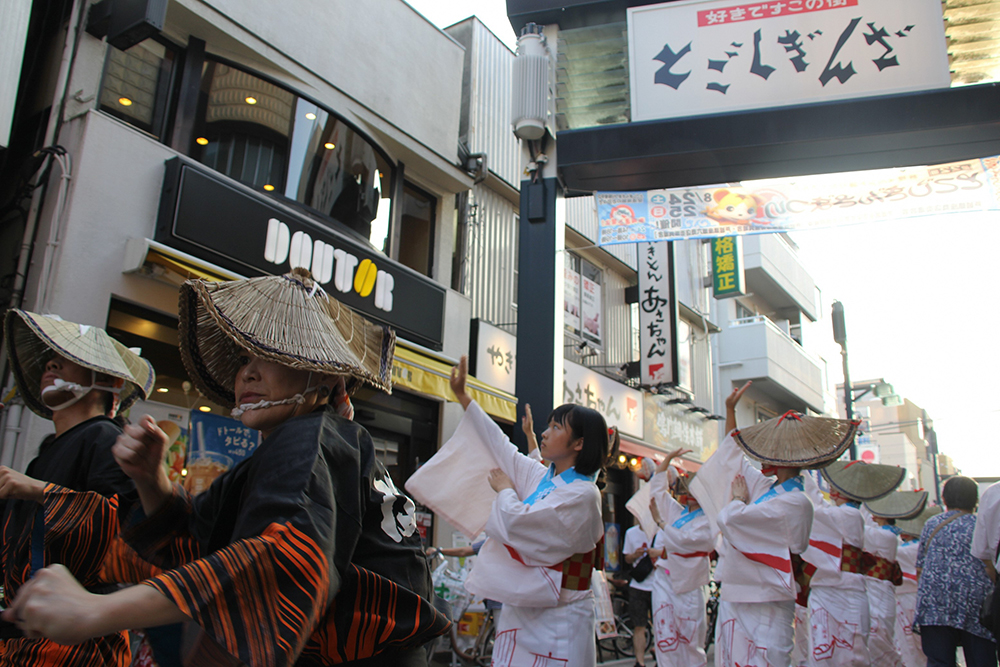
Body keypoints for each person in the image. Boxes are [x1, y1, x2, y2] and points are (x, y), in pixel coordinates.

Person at [4, 269, 448, 666]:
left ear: (326, 381)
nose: (247, 375)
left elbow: (283, 560)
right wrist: (152, 479)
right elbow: (195, 542)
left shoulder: (314, 434)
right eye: (243, 361)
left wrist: (95, 610)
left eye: (270, 354)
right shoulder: (288, 450)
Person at [0, 309, 154, 667]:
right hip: (26, 634)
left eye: (68, 359)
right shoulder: (47, 452)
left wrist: (40, 491)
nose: (52, 365)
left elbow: (123, 525)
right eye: (51, 360)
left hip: (78, 641)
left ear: (110, 382)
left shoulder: (105, 437)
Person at [447, 355, 613, 666]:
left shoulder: (583, 494)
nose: (546, 433)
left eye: (555, 426)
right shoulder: (545, 478)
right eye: (547, 425)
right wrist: (464, 397)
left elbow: (519, 524)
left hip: (558, 617)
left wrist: (506, 490)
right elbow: (502, 448)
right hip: (523, 604)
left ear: (578, 443)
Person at [689, 381, 856, 667]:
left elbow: (730, 519)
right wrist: (731, 411)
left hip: (768, 595)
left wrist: (739, 501)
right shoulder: (770, 489)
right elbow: (733, 459)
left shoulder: (797, 501)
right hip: (741, 591)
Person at [800, 460, 905, 667]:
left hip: (845, 591)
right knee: (831, 652)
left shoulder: (851, 515)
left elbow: (814, 509)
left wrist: (802, 475)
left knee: (850, 653)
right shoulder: (854, 516)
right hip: (838, 590)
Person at [914, 476, 997, 667]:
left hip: (935, 602)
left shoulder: (931, 524)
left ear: (944, 499)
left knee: (939, 661)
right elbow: (989, 564)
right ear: (975, 500)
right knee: (981, 660)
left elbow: (920, 567)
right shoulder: (979, 525)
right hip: (975, 603)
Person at [647, 448, 714, 667]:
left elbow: (685, 541)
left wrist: (661, 523)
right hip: (664, 578)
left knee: (690, 638)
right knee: (665, 635)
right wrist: (665, 461)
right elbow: (658, 494)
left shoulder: (708, 521)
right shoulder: (679, 513)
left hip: (689, 583)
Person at [863, 490, 928, 667]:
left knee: (906, 648)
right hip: (912, 600)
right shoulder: (907, 543)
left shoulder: (887, 538)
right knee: (917, 649)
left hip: (899, 599)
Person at [623, 520, 655, 667]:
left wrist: (656, 554)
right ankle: (640, 662)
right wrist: (635, 555)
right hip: (638, 585)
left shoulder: (660, 532)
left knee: (661, 625)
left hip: (658, 584)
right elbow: (627, 558)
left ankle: (661, 657)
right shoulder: (631, 533)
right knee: (639, 625)